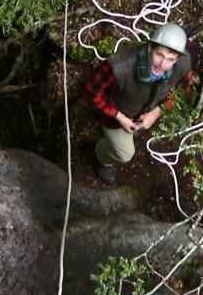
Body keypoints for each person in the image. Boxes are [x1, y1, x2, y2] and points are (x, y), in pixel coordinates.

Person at [83, 23, 193, 185]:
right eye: (159, 55)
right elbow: (90, 92)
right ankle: (102, 157)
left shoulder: (182, 65)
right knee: (124, 154)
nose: (162, 64)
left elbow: (184, 89)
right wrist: (120, 117)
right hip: (115, 116)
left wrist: (157, 111)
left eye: (170, 59)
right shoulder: (119, 67)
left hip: (144, 111)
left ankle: (128, 132)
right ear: (150, 48)